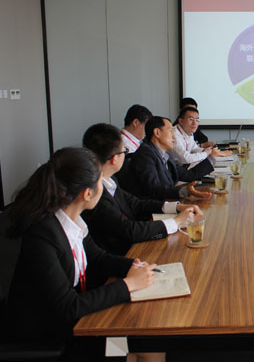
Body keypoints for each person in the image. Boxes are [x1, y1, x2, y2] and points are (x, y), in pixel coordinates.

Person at [5, 147, 163, 362]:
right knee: (136, 349)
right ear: (87, 194)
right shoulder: (42, 236)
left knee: (149, 343)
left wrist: (132, 267)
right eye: (100, 182)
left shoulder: (72, 221)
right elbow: (68, 306)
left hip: (79, 320)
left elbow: (98, 258)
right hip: (51, 335)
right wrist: (129, 284)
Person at [82, 123, 205, 255]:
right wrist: (177, 221)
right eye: (124, 151)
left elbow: (136, 204)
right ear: (114, 159)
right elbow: (129, 230)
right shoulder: (94, 193)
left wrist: (177, 207)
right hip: (121, 254)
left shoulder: (110, 180)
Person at [127, 116, 214, 200]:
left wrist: (212, 158)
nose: (174, 136)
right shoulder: (145, 155)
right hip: (154, 207)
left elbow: (188, 174)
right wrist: (183, 191)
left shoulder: (165, 154)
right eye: (170, 131)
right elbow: (153, 189)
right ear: (157, 132)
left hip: (167, 202)